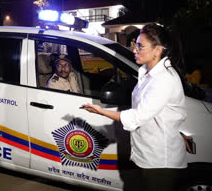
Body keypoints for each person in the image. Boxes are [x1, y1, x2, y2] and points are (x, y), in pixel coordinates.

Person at [81, 23, 190, 191]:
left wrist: (100, 111)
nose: (134, 50)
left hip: (159, 161)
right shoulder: (146, 72)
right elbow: (161, 111)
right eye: (134, 45)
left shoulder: (163, 80)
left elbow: (137, 117)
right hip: (146, 153)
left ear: (157, 50)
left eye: (140, 46)